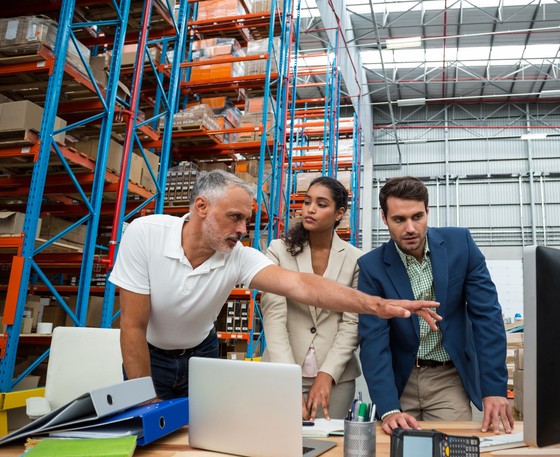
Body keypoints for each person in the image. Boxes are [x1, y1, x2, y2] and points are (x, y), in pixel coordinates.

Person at [108, 170, 440, 400]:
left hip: (201, 354)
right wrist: (143, 401)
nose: (243, 229)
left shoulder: (238, 256)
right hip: (149, 353)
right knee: (144, 434)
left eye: (246, 221)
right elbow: (133, 326)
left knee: (194, 440)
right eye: (235, 217)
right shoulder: (145, 234)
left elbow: (301, 285)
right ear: (201, 207)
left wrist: (376, 305)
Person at [357, 176, 513, 435]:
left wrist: (494, 389)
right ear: (384, 219)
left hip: (447, 378)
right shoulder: (371, 267)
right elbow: (373, 340)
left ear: (428, 211)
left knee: (454, 452)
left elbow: (487, 317)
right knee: (395, 455)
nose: (410, 228)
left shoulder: (460, 245)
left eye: (417, 217)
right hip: (399, 381)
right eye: (399, 220)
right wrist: (388, 408)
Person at [261, 177, 362, 421]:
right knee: (278, 444)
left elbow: (352, 323)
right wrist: (289, 379)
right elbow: (274, 316)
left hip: (336, 378)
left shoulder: (355, 259)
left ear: (339, 213)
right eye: (307, 202)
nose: (311, 209)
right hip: (281, 368)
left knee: (328, 447)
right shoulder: (277, 250)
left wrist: (327, 374)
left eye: (321, 204)